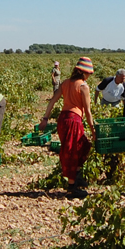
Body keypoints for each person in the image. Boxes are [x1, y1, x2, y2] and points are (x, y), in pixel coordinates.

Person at [40, 57, 97, 198]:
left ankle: (76, 176)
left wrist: (45, 118)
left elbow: (52, 101)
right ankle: (72, 187)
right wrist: (93, 130)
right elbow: (88, 111)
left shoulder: (65, 83)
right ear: (84, 73)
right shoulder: (83, 86)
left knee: (82, 146)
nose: (89, 76)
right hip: (73, 120)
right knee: (73, 151)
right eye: (89, 73)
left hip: (63, 119)